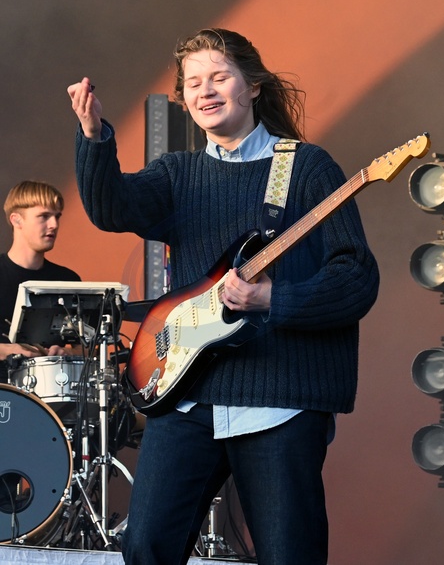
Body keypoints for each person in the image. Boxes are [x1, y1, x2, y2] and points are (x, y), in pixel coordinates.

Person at [67, 28, 380, 565]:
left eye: (219, 77)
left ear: (253, 85)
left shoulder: (307, 168)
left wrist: (274, 299)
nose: (205, 91)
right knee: (145, 548)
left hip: (279, 400)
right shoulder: (178, 174)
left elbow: (356, 278)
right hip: (188, 395)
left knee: (290, 555)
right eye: (193, 83)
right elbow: (111, 208)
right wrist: (93, 136)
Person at [0, 180, 81, 383]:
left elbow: (87, 347)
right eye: (44, 216)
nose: (54, 224)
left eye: (57, 216)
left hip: (53, 392)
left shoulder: (68, 281)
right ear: (16, 220)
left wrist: (67, 353)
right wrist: (9, 350)